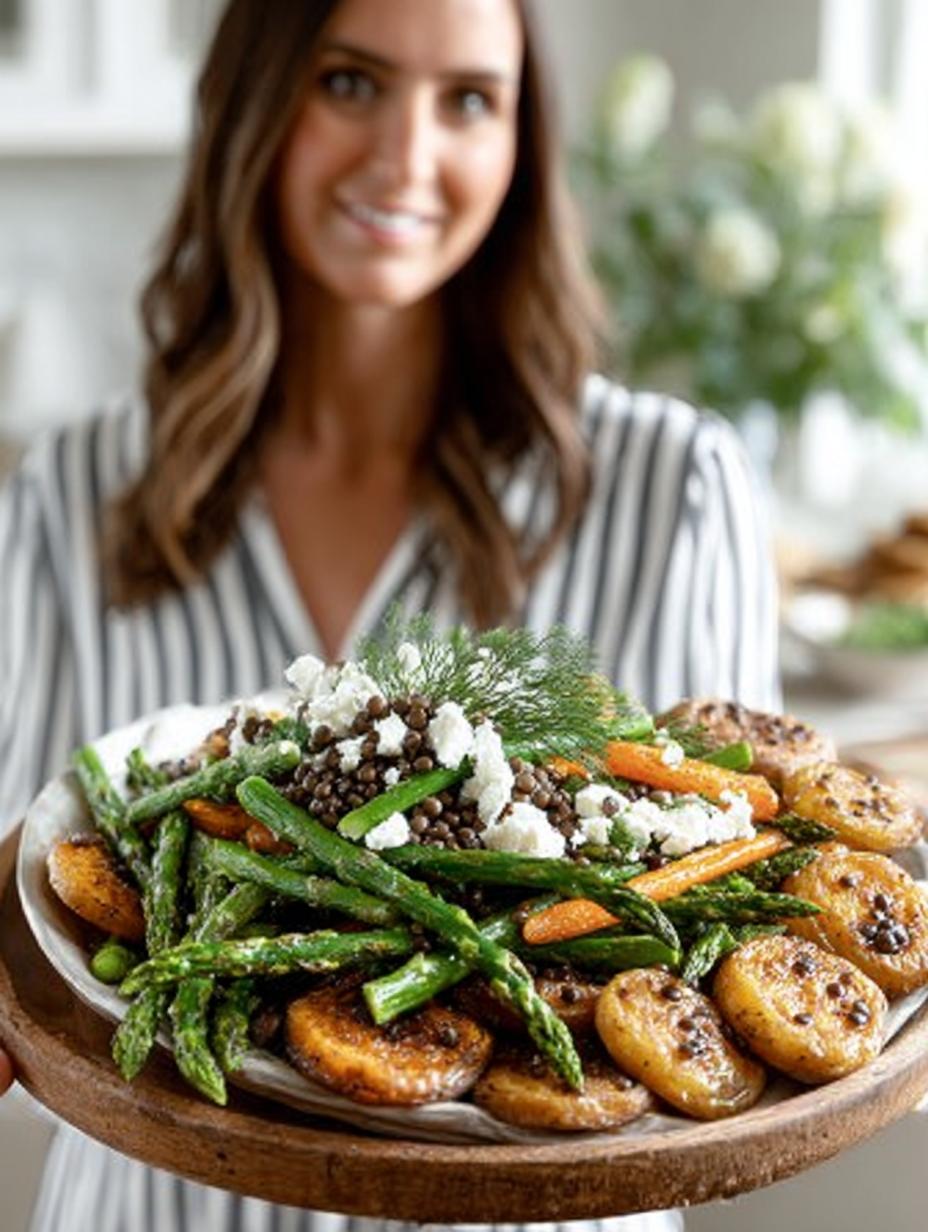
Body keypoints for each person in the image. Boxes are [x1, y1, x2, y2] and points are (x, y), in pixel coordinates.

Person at [0, 1, 779, 1230]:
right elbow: (32, 919)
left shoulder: (671, 486)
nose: (406, 157)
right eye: (351, 83)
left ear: (522, 140)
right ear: (253, 105)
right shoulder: (69, 493)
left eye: (467, 98)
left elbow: (718, 943)